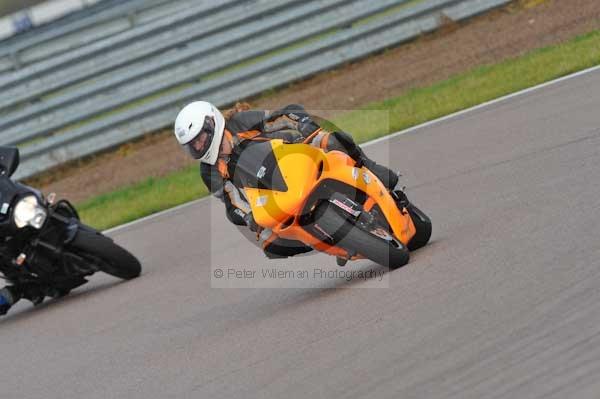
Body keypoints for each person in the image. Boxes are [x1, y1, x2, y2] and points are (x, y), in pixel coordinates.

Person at [174, 101, 401, 259]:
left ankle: (370, 167)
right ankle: (328, 240)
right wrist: (248, 215)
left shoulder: (241, 122)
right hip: (271, 193)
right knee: (270, 245)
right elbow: (231, 200)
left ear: (212, 123)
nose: (198, 146)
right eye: (192, 145)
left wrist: (301, 123)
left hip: (295, 153)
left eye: (200, 138)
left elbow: (283, 116)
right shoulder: (209, 171)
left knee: (331, 140)